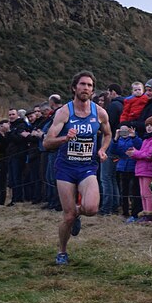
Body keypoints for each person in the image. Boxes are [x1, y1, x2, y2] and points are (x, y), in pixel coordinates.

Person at [43, 71, 111, 266]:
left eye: (90, 85)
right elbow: (47, 142)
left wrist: (103, 149)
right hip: (65, 168)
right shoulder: (64, 112)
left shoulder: (99, 112)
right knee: (68, 215)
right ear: (74, 88)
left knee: (91, 208)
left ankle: (77, 213)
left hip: (87, 167)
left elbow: (107, 134)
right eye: (82, 84)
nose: (86, 88)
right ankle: (62, 251)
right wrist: (65, 138)